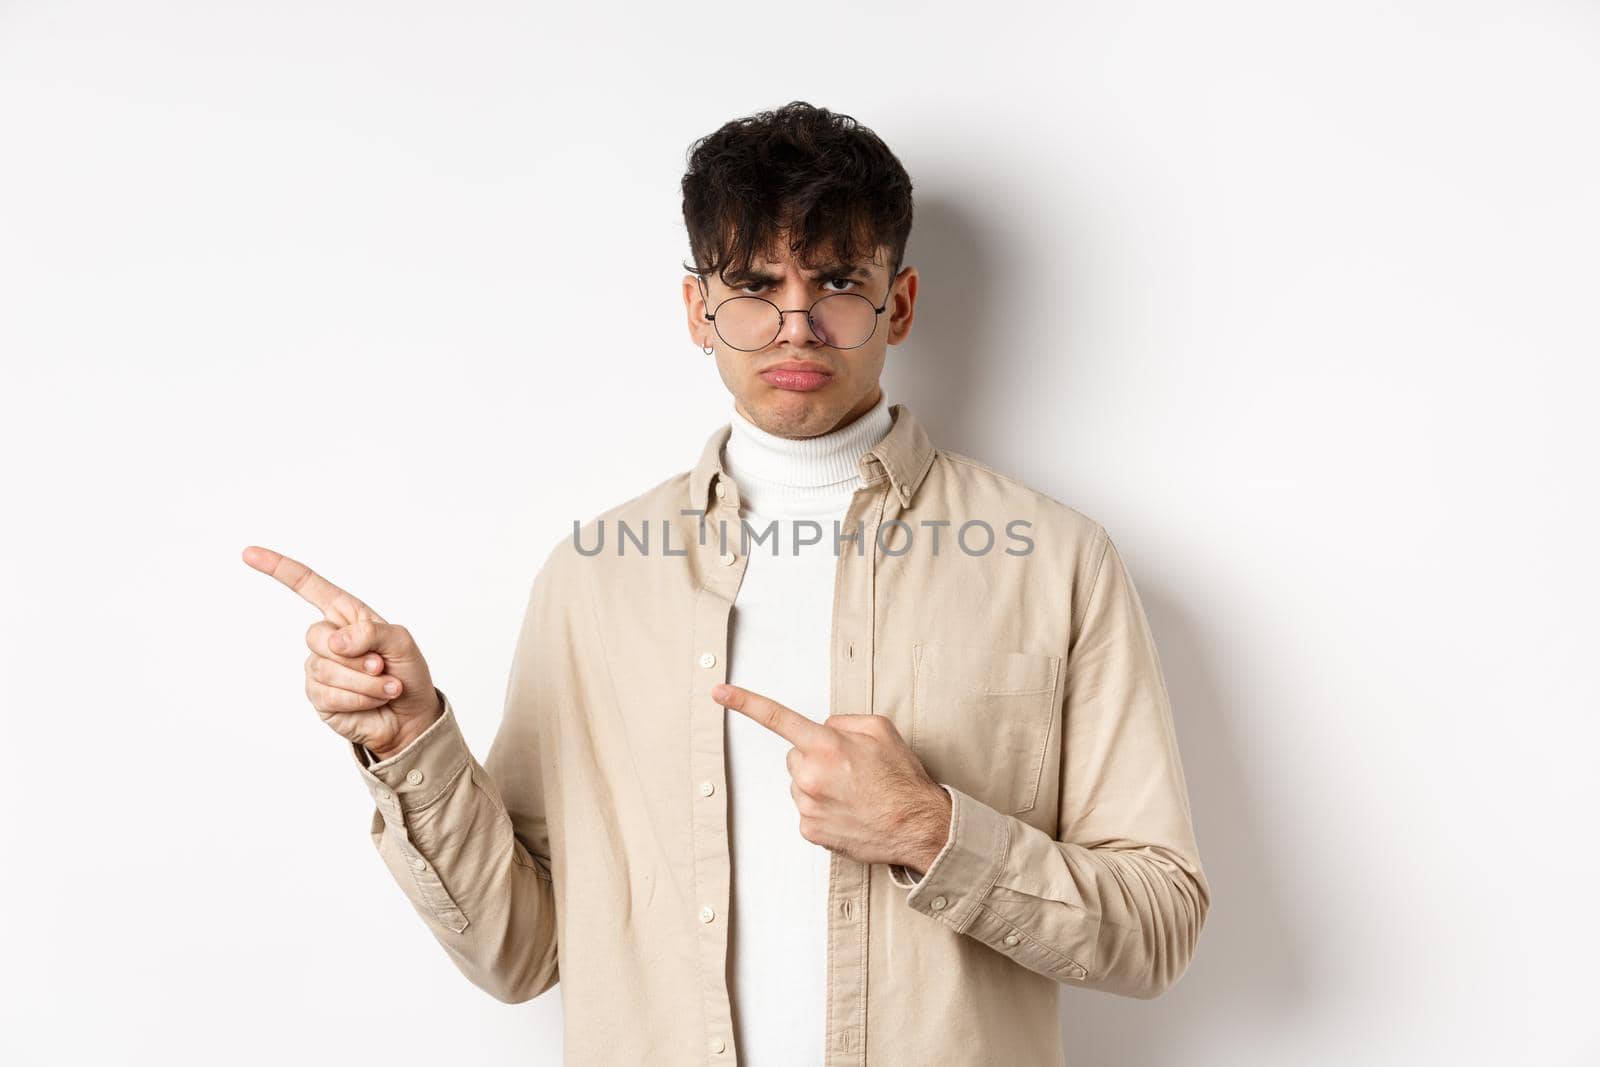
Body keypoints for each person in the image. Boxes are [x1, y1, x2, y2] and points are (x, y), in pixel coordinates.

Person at [243, 100, 1209, 1066]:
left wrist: (931, 828)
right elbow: (519, 949)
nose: (797, 330)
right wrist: (413, 740)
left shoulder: (1052, 559)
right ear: (699, 310)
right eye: (754, 288)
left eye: (838, 285)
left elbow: (1159, 923)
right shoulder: (595, 578)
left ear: (899, 304)